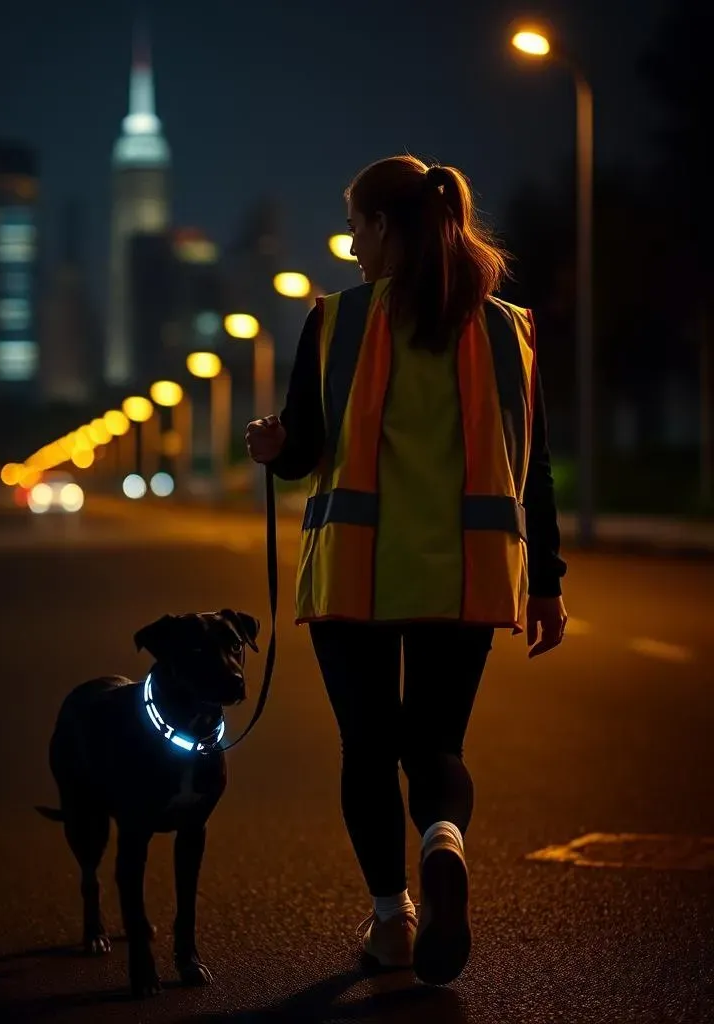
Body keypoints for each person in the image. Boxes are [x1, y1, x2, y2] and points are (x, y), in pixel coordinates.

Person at [245, 155, 568, 986]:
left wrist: (277, 451)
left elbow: (308, 450)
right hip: (464, 576)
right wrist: (548, 583)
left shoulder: (340, 321)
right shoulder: (509, 329)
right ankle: (443, 843)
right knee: (437, 746)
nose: (352, 248)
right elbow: (535, 467)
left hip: (355, 574)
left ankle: (393, 921)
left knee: (366, 748)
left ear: (385, 227)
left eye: (355, 228)